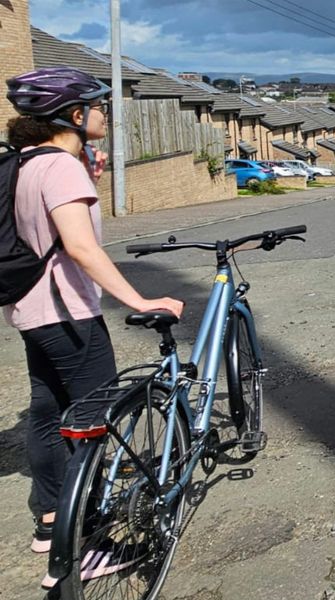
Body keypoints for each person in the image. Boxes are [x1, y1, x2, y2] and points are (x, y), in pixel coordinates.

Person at [4, 67, 183, 582]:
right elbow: (80, 246)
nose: (105, 114)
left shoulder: (27, 162)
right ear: (75, 115)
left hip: (31, 310)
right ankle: (89, 544)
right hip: (69, 313)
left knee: (46, 412)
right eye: (98, 106)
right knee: (94, 425)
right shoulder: (61, 168)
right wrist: (139, 298)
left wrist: (88, 170)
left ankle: (51, 523)